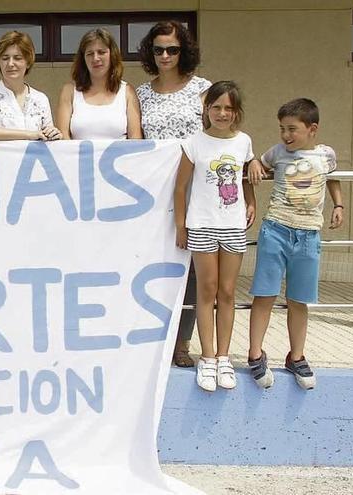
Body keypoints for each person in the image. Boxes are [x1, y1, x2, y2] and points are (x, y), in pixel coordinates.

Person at [246, 98, 344, 390]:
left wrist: (339, 205)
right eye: (282, 129)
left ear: (312, 129)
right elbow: (259, 163)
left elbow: (332, 179)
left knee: (298, 299)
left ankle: (296, 355)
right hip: (276, 229)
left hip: (308, 235)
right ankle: (255, 352)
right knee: (264, 293)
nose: (286, 135)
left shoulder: (326, 154)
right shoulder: (277, 152)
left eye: (292, 129)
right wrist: (252, 162)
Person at [136, 21, 212, 367]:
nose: (165, 55)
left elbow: (221, 135)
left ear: (185, 51)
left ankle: (182, 342)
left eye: (173, 49)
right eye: (158, 49)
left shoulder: (203, 89)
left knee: (192, 269)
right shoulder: (140, 94)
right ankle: (152, 340)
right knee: (154, 266)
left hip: (195, 191)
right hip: (153, 195)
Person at [173, 81, 257, 392]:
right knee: (205, 291)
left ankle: (224, 357)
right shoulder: (194, 142)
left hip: (233, 225)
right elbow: (180, 188)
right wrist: (181, 226)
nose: (222, 113)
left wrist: (251, 200)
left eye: (228, 108)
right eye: (216, 107)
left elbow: (246, 174)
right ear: (206, 110)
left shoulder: (244, 142)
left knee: (228, 292)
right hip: (202, 224)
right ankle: (207, 357)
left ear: (237, 112)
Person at [0, 30, 60, 141]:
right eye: (5, 58)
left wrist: (53, 134)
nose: (10, 64)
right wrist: (30, 135)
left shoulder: (41, 99)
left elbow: (47, 134)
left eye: (17, 58)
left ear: (28, 62)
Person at [56, 28, 141, 140]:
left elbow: (135, 139)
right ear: (83, 59)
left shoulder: (127, 91)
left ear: (112, 55)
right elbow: (63, 138)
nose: (95, 58)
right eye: (90, 54)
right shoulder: (69, 91)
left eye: (101, 52)